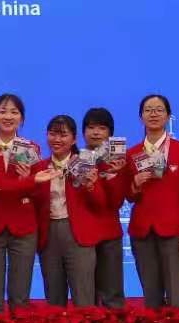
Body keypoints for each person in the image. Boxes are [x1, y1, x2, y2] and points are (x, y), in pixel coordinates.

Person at [32, 115, 116, 306]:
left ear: (74, 139)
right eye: (52, 134)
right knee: (53, 297)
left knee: (84, 296)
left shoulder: (86, 164)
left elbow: (100, 204)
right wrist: (26, 182)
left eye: (63, 135)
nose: (57, 139)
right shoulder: (38, 167)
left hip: (79, 234)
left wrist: (91, 186)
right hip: (49, 235)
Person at [127, 93, 179, 307]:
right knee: (151, 297)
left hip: (174, 232)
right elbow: (129, 196)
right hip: (142, 232)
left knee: (177, 297)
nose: (153, 114)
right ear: (141, 117)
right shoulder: (132, 153)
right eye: (148, 110)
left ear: (168, 116)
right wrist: (135, 184)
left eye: (159, 110)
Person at [0, 94, 42, 312]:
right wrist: (27, 181)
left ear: (22, 119)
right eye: (3, 111)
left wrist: (28, 180)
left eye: (14, 112)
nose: (8, 117)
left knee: (20, 294)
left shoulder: (32, 148)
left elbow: (39, 191)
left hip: (23, 226)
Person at [79, 107, 130, 308]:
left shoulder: (118, 162)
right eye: (91, 127)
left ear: (110, 133)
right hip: (82, 235)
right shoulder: (75, 160)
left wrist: (115, 174)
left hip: (109, 234)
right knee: (86, 296)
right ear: (83, 132)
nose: (96, 133)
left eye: (102, 128)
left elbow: (117, 202)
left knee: (112, 294)